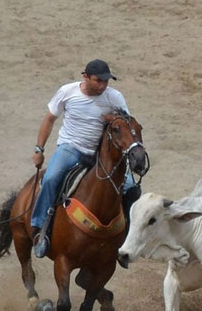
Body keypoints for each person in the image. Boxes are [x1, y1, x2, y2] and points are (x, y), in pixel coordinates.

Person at [30, 59, 141, 258]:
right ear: (85, 77)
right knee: (51, 178)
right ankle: (40, 229)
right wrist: (39, 149)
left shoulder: (114, 97)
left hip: (101, 156)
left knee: (131, 188)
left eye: (106, 82)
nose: (103, 86)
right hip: (71, 149)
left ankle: (127, 237)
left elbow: (126, 124)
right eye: (98, 81)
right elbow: (49, 119)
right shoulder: (67, 92)